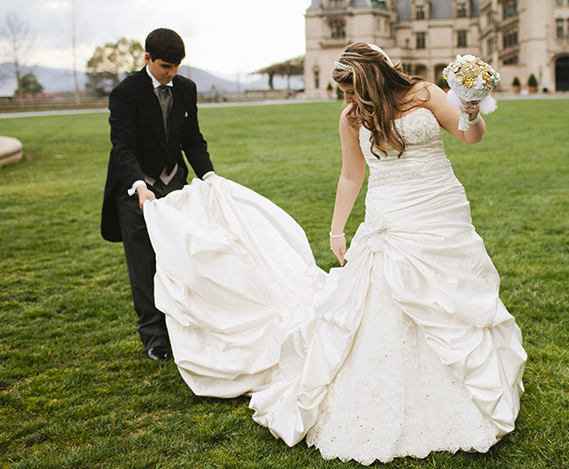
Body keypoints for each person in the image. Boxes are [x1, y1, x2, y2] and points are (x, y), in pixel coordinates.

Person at [143, 42, 526, 464]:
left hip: (439, 207)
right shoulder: (351, 118)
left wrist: (472, 110)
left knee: (452, 293)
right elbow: (350, 175)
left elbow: (468, 137)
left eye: (350, 90)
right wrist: (337, 228)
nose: (345, 99)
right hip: (391, 215)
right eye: (343, 92)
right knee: (381, 298)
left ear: (372, 79)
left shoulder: (424, 94)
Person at [100, 27, 215, 362]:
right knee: (144, 264)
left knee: (179, 258)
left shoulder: (186, 89)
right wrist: (139, 186)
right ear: (147, 58)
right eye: (166, 66)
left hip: (174, 183)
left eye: (177, 66)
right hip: (134, 187)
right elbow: (123, 148)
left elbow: (192, 138)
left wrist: (208, 175)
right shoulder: (125, 94)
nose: (172, 74)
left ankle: (184, 327)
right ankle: (155, 337)